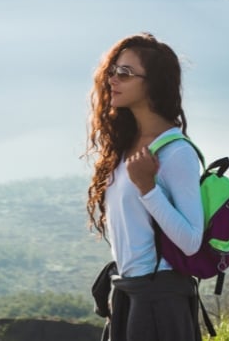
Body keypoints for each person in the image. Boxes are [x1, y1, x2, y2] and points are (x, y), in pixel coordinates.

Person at [86, 32, 204, 341]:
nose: (113, 78)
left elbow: (191, 240)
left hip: (160, 299)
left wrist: (148, 189)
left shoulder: (176, 153)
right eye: (112, 70)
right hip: (130, 293)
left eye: (125, 73)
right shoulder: (126, 146)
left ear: (153, 83)